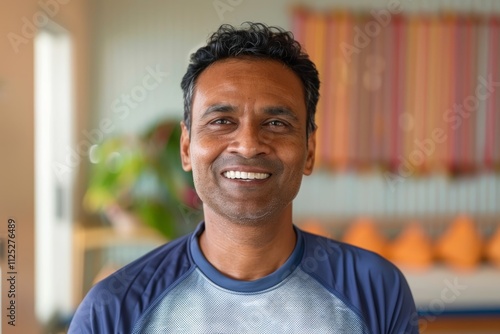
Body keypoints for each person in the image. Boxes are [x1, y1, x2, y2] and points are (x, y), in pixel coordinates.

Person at [69, 22, 419, 333]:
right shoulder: (113, 310)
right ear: (186, 148)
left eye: (276, 123)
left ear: (309, 150)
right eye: (222, 121)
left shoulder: (376, 289)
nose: (249, 145)